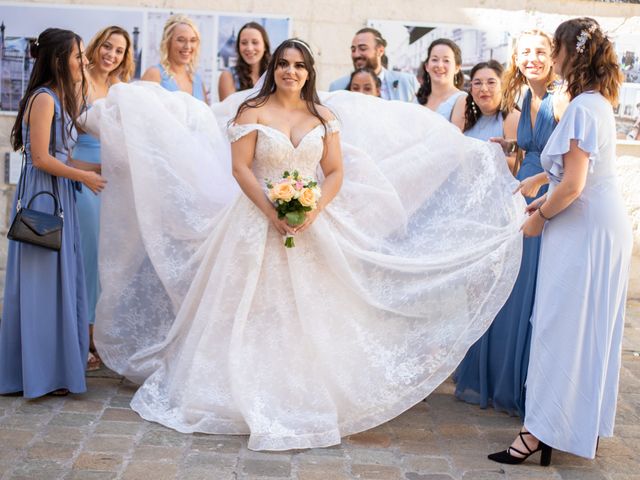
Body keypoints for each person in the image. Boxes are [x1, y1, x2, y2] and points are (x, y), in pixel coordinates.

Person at [87, 38, 525, 451]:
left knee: (308, 310)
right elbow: (241, 170)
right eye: (283, 64)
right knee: (252, 306)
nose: (290, 72)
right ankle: (242, 387)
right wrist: (272, 211)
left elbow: (334, 171)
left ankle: (301, 387)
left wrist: (313, 207)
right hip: (255, 221)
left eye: (299, 66)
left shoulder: (321, 117)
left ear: (309, 72)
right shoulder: (251, 111)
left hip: (312, 222)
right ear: (274, 69)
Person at [489, 17, 632, 464]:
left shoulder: (583, 107)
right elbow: (574, 179)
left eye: (556, 49)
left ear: (572, 53)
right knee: (582, 326)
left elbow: (573, 187)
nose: (552, 57)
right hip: (592, 222)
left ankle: (538, 433)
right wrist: (540, 186)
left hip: (582, 227)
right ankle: (569, 427)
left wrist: (538, 219)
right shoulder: (596, 102)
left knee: (559, 325)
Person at [455, 30, 564, 417]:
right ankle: (504, 376)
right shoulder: (528, 97)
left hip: (546, 194)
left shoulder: (561, 97)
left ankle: (523, 383)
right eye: (525, 52)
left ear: (554, 56)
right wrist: (514, 148)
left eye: (540, 51)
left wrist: (542, 193)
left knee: (528, 289)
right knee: (509, 284)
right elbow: (536, 149)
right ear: (516, 58)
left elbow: (567, 158)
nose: (532, 58)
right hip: (522, 192)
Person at [0, 28, 107, 398]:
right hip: (44, 198)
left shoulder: (62, 98)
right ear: (60, 60)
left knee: (60, 283)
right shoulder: (44, 98)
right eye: (79, 56)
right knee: (41, 286)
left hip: (60, 193)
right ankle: (35, 373)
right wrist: (83, 177)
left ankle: (55, 370)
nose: (85, 62)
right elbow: (42, 158)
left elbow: (63, 155)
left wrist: (99, 170)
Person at [71, 26, 134, 372]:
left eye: (119, 51)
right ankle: (80, 338)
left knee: (105, 260)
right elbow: (61, 141)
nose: (111, 55)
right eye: (107, 47)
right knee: (86, 259)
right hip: (83, 177)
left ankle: (95, 335)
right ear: (96, 47)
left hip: (111, 183)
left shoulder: (119, 89)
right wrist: (91, 169)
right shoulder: (77, 82)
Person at [329, 27, 419, 102]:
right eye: (353, 50)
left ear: (380, 51)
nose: (356, 54)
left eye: (363, 48)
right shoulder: (337, 87)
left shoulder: (407, 82)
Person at [462, 61, 520, 165]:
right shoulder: (468, 118)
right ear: (471, 90)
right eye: (477, 83)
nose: (484, 89)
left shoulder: (512, 118)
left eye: (491, 82)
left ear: (503, 87)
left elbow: (518, 163)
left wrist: (483, 158)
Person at [141, 14, 207, 101]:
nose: (188, 46)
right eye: (181, 40)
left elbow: (207, 114)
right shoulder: (154, 74)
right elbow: (140, 112)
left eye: (192, 40)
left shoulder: (198, 81)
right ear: (168, 42)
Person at [417, 38, 467, 130]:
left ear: (457, 68)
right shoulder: (417, 98)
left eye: (446, 60)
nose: (439, 65)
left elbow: (456, 141)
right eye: (435, 59)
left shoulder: (462, 100)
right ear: (427, 66)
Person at [218, 22, 271, 101]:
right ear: (238, 47)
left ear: (265, 46)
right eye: (244, 43)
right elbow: (228, 111)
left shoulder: (274, 75)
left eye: (255, 42)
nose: (249, 48)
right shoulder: (228, 76)